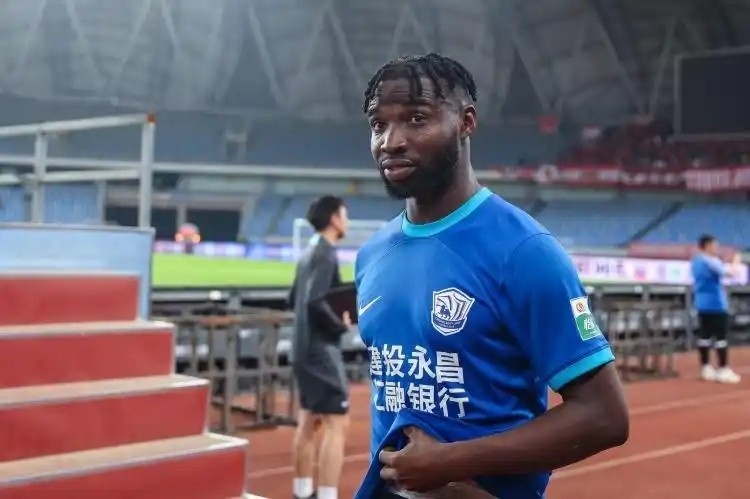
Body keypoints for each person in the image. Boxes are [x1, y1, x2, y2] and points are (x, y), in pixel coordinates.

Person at [353, 53, 629, 497]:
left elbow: (604, 416)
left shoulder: (524, 251)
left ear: (466, 122)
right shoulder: (372, 254)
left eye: (417, 119)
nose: (391, 141)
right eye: (378, 124)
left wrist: (450, 461)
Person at [288, 195, 352, 499]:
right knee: (337, 423)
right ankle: (327, 495)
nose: (347, 221)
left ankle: (302, 492)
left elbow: (293, 299)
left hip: (301, 347)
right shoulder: (326, 252)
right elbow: (315, 301)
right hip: (320, 351)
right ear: (335, 219)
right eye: (345, 215)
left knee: (308, 420)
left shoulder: (307, 252)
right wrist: (340, 324)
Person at [691, 234, 742, 384]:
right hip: (716, 304)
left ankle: (705, 368)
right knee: (721, 337)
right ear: (707, 246)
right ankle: (723, 369)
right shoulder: (710, 261)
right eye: (714, 245)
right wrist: (736, 261)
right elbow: (731, 273)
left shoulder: (695, 261)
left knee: (704, 336)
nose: (716, 248)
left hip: (701, 303)